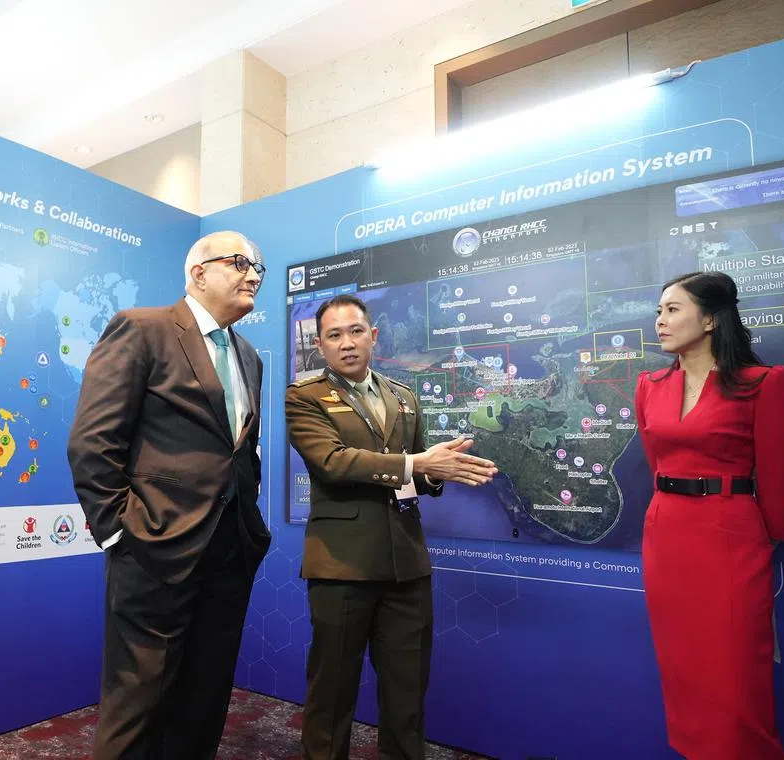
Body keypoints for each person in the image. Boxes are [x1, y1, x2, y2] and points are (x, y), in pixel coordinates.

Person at [68, 230, 272, 759]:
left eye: (258, 268)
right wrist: (120, 532)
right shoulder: (142, 329)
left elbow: (239, 451)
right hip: (153, 548)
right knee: (138, 704)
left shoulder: (249, 355)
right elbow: (93, 442)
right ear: (198, 273)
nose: (253, 275)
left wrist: (248, 530)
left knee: (204, 700)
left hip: (229, 551)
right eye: (240, 263)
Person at [285, 294, 498, 760]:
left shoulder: (404, 396)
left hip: (406, 565)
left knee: (407, 693)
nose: (347, 343)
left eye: (356, 331)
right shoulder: (304, 397)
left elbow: (413, 476)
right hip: (341, 565)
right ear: (320, 345)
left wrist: (436, 473)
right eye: (334, 335)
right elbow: (333, 462)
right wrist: (418, 463)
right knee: (332, 693)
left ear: (373, 336)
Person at [636, 270, 784, 760]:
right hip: (667, 537)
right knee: (683, 671)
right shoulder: (650, 386)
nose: (660, 321)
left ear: (710, 319)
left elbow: (781, 481)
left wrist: (757, 538)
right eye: (659, 311)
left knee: (735, 678)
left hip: (730, 540)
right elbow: (657, 463)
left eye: (672, 310)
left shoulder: (763, 383)